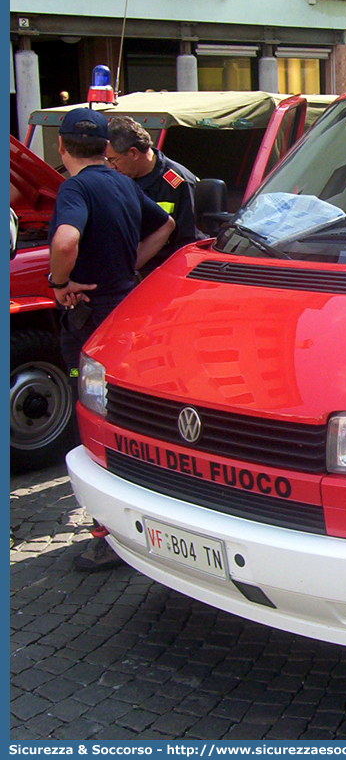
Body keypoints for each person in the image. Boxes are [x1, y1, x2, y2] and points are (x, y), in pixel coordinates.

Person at [47, 107, 175, 571]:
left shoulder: (75, 188)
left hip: (88, 318)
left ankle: (105, 533)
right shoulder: (124, 182)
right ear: (106, 148)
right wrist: (131, 267)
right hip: (124, 311)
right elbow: (166, 224)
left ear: (61, 147)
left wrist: (58, 282)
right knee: (127, 419)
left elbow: (65, 242)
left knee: (93, 420)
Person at [106, 115, 200, 275]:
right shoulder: (117, 179)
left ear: (134, 153)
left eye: (113, 159)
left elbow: (189, 243)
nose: (110, 166)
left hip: (164, 272)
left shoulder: (178, 183)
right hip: (124, 271)